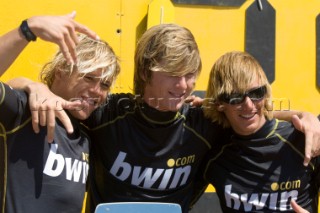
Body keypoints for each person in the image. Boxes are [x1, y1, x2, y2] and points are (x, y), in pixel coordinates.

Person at [11, 24, 320, 213]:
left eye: (190, 75)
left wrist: (298, 115)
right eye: (173, 74)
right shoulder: (107, 111)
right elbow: (58, 98)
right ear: (145, 72)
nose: (184, 86)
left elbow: (248, 116)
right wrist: (30, 84)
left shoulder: (204, 122)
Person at [0, 14, 120, 213]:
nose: (97, 90)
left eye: (105, 84)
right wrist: (27, 30)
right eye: (88, 77)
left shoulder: (87, 137)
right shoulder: (25, 110)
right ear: (61, 70)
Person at [198, 51, 320, 212]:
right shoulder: (210, 147)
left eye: (256, 93)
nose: (249, 105)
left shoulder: (305, 139)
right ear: (220, 103)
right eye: (236, 97)